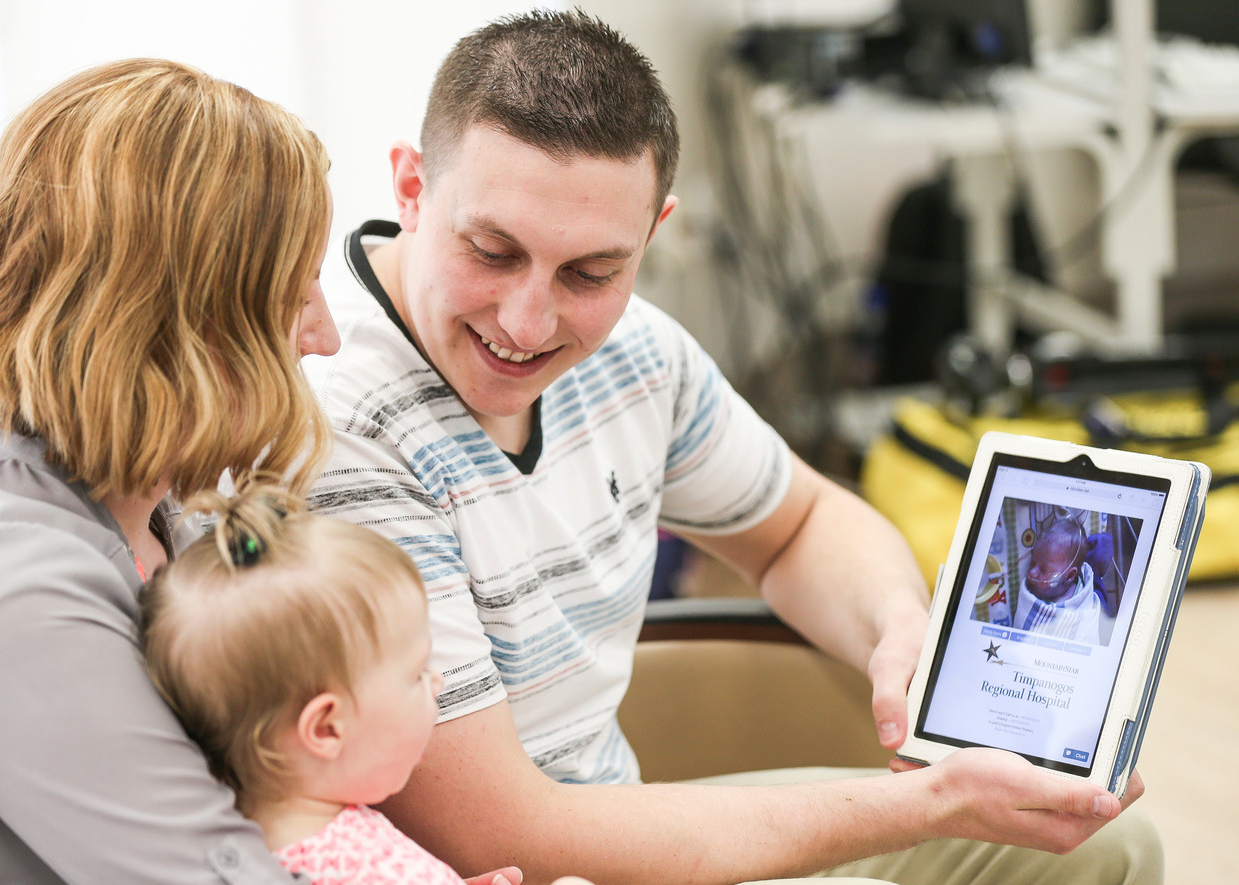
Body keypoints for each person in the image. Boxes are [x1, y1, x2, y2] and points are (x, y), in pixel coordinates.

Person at [307, 10, 1162, 885]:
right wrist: (929, 803)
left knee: (1107, 841)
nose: (528, 322)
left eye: (590, 273)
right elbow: (499, 833)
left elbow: (796, 525)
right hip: (528, 862)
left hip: (627, 816)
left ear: (653, 232)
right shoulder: (343, 437)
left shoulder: (637, 352)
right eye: (492, 250)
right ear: (410, 189)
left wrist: (898, 628)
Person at [0, 58, 344, 883]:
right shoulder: (3, 591)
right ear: (188, 317)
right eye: (296, 291)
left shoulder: (165, 526)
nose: (321, 336)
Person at [140, 482, 590, 885]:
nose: (436, 682)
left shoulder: (254, 849)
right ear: (326, 728)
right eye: (415, 673)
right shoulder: (361, 870)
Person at [1016, 517, 1105, 644]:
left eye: (1044, 569)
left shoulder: (1080, 606)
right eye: (1032, 563)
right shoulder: (1034, 589)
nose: (1032, 572)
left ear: (1069, 576)